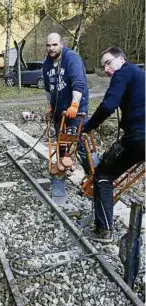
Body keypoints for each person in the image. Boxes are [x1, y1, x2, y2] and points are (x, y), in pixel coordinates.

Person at [83, 46, 145, 243]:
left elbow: (108, 105)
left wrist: (88, 127)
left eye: (108, 63)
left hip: (138, 135)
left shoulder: (123, 72)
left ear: (120, 59)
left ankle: (104, 230)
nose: (107, 70)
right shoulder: (140, 75)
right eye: (103, 67)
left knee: (103, 175)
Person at [43, 32, 89, 204]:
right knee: (61, 143)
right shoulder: (47, 64)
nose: (51, 48)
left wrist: (75, 104)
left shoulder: (71, 58)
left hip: (76, 110)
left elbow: (78, 82)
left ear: (61, 44)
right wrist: (50, 106)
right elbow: (48, 89)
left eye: (54, 45)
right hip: (58, 111)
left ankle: (93, 176)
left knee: (78, 143)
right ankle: (60, 175)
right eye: (48, 45)